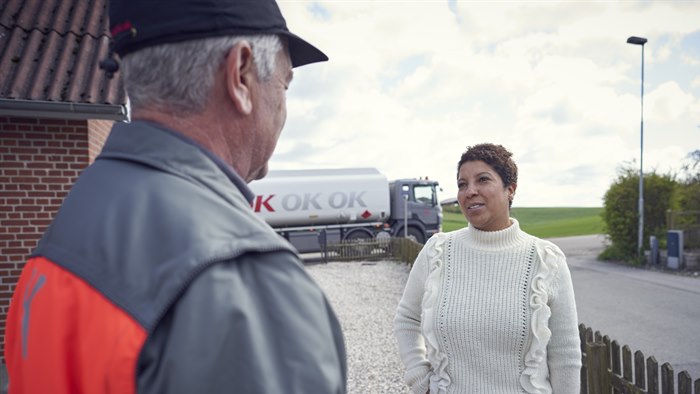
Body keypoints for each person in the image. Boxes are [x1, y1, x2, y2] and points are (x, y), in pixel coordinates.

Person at [4, 1, 347, 393]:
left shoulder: (61, 236)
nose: (285, 108)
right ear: (240, 75)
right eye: (284, 85)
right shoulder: (246, 287)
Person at [394, 143, 581, 394]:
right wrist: (419, 378)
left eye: (483, 180)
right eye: (462, 184)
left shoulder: (546, 260)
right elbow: (407, 318)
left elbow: (565, 354)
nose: (470, 191)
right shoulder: (436, 251)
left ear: (510, 190)